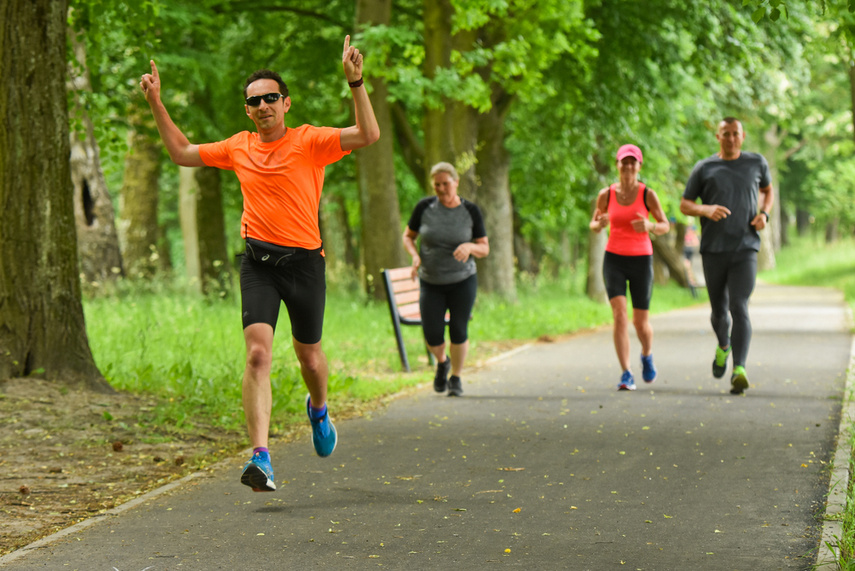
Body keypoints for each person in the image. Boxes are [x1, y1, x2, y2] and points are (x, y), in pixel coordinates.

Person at [139, 36, 380, 492]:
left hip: (306, 264)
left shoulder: (311, 141)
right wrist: (156, 102)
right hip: (259, 263)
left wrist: (357, 83)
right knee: (257, 354)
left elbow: (368, 135)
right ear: (248, 111)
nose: (264, 105)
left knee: (309, 356)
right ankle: (261, 458)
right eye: (255, 101)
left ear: (285, 104)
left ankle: (319, 409)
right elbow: (182, 153)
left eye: (271, 97)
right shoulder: (238, 147)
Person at [680, 117, 774, 395]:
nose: (731, 138)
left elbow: (767, 191)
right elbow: (685, 204)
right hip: (713, 249)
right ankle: (723, 346)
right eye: (726, 134)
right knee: (719, 312)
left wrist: (764, 214)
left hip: (745, 247)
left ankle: (739, 369)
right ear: (718, 137)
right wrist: (705, 210)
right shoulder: (704, 168)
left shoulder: (756, 163)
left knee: (739, 305)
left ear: (742, 137)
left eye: (735, 134)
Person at [402, 162, 489, 397]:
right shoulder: (424, 207)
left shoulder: (470, 211)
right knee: (432, 333)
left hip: (463, 280)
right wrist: (414, 256)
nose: (441, 189)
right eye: (437, 185)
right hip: (431, 281)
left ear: (456, 182)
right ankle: (442, 361)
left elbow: (484, 248)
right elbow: (408, 236)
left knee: (459, 329)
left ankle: (456, 378)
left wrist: (470, 246)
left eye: (445, 183)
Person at [590, 144, 670, 391]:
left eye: (632, 162)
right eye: (623, 162)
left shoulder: (648, 195)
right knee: (619, 315)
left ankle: (646, 354)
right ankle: (626, 372)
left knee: (640, 322)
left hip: (641, 260)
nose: (627, 166)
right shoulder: (606, 195)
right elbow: (594, 223)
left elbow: (665, 224)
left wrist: (650, 226)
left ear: (639, 166)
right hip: (614, 258)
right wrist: (599, 224)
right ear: (617, 165)